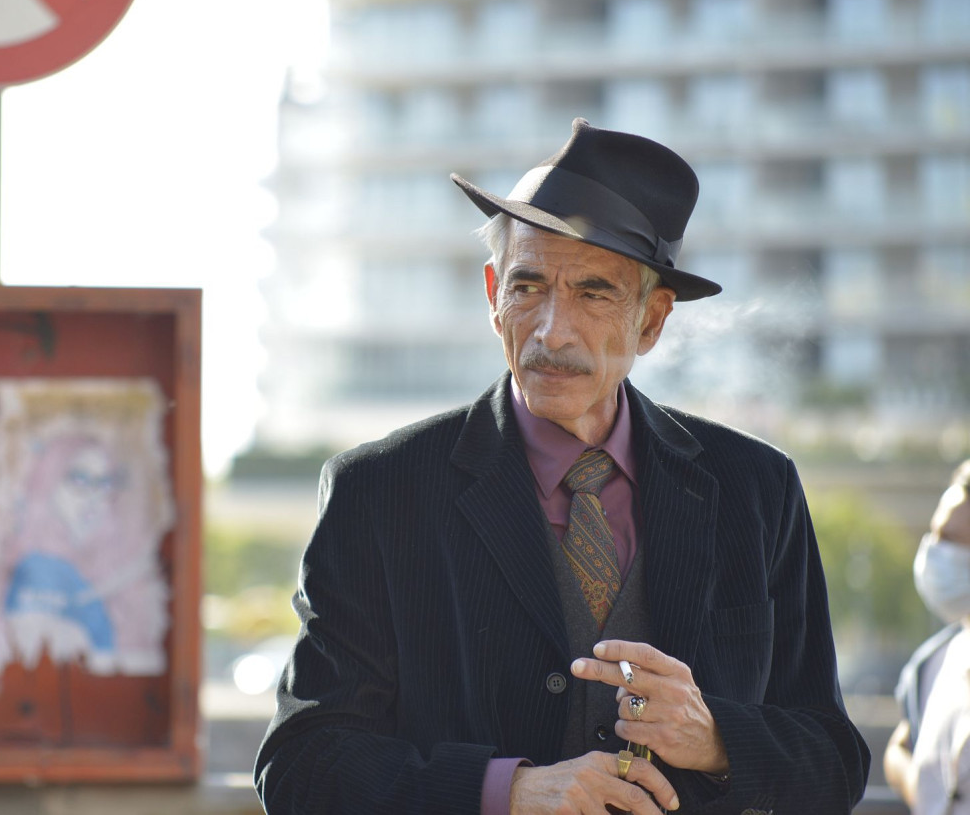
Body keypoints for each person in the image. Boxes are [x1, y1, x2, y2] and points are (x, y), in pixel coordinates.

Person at [253, 118, 870, 814]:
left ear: (651, 320)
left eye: (593, 292)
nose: (551, 330)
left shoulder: (757, 488)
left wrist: (717, 738)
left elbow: (834, 762)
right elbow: (301, 767)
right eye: (528, 286)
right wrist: (507, 790)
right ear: (493, 295)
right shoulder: (379, 493)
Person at [885, 459, 970, 812]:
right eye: (934, 534)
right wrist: (923, 790)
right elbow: (900, 747)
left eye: (950, 541)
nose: (934, 552)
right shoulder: (933, 662)